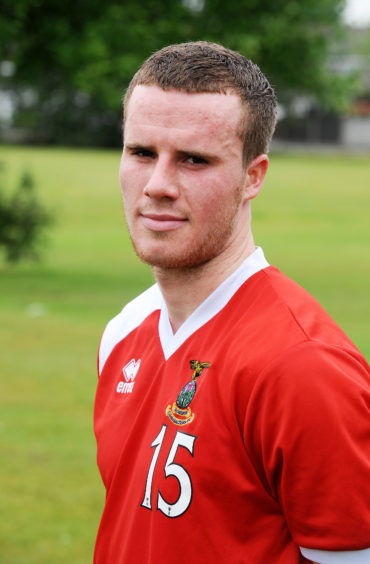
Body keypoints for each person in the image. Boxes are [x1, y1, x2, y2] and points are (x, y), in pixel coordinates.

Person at [94, 41, 370, 564]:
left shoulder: (304, 367)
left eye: (194, 160)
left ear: (253, 176)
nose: (157, 185)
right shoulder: (122, 334)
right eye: (142, 153)